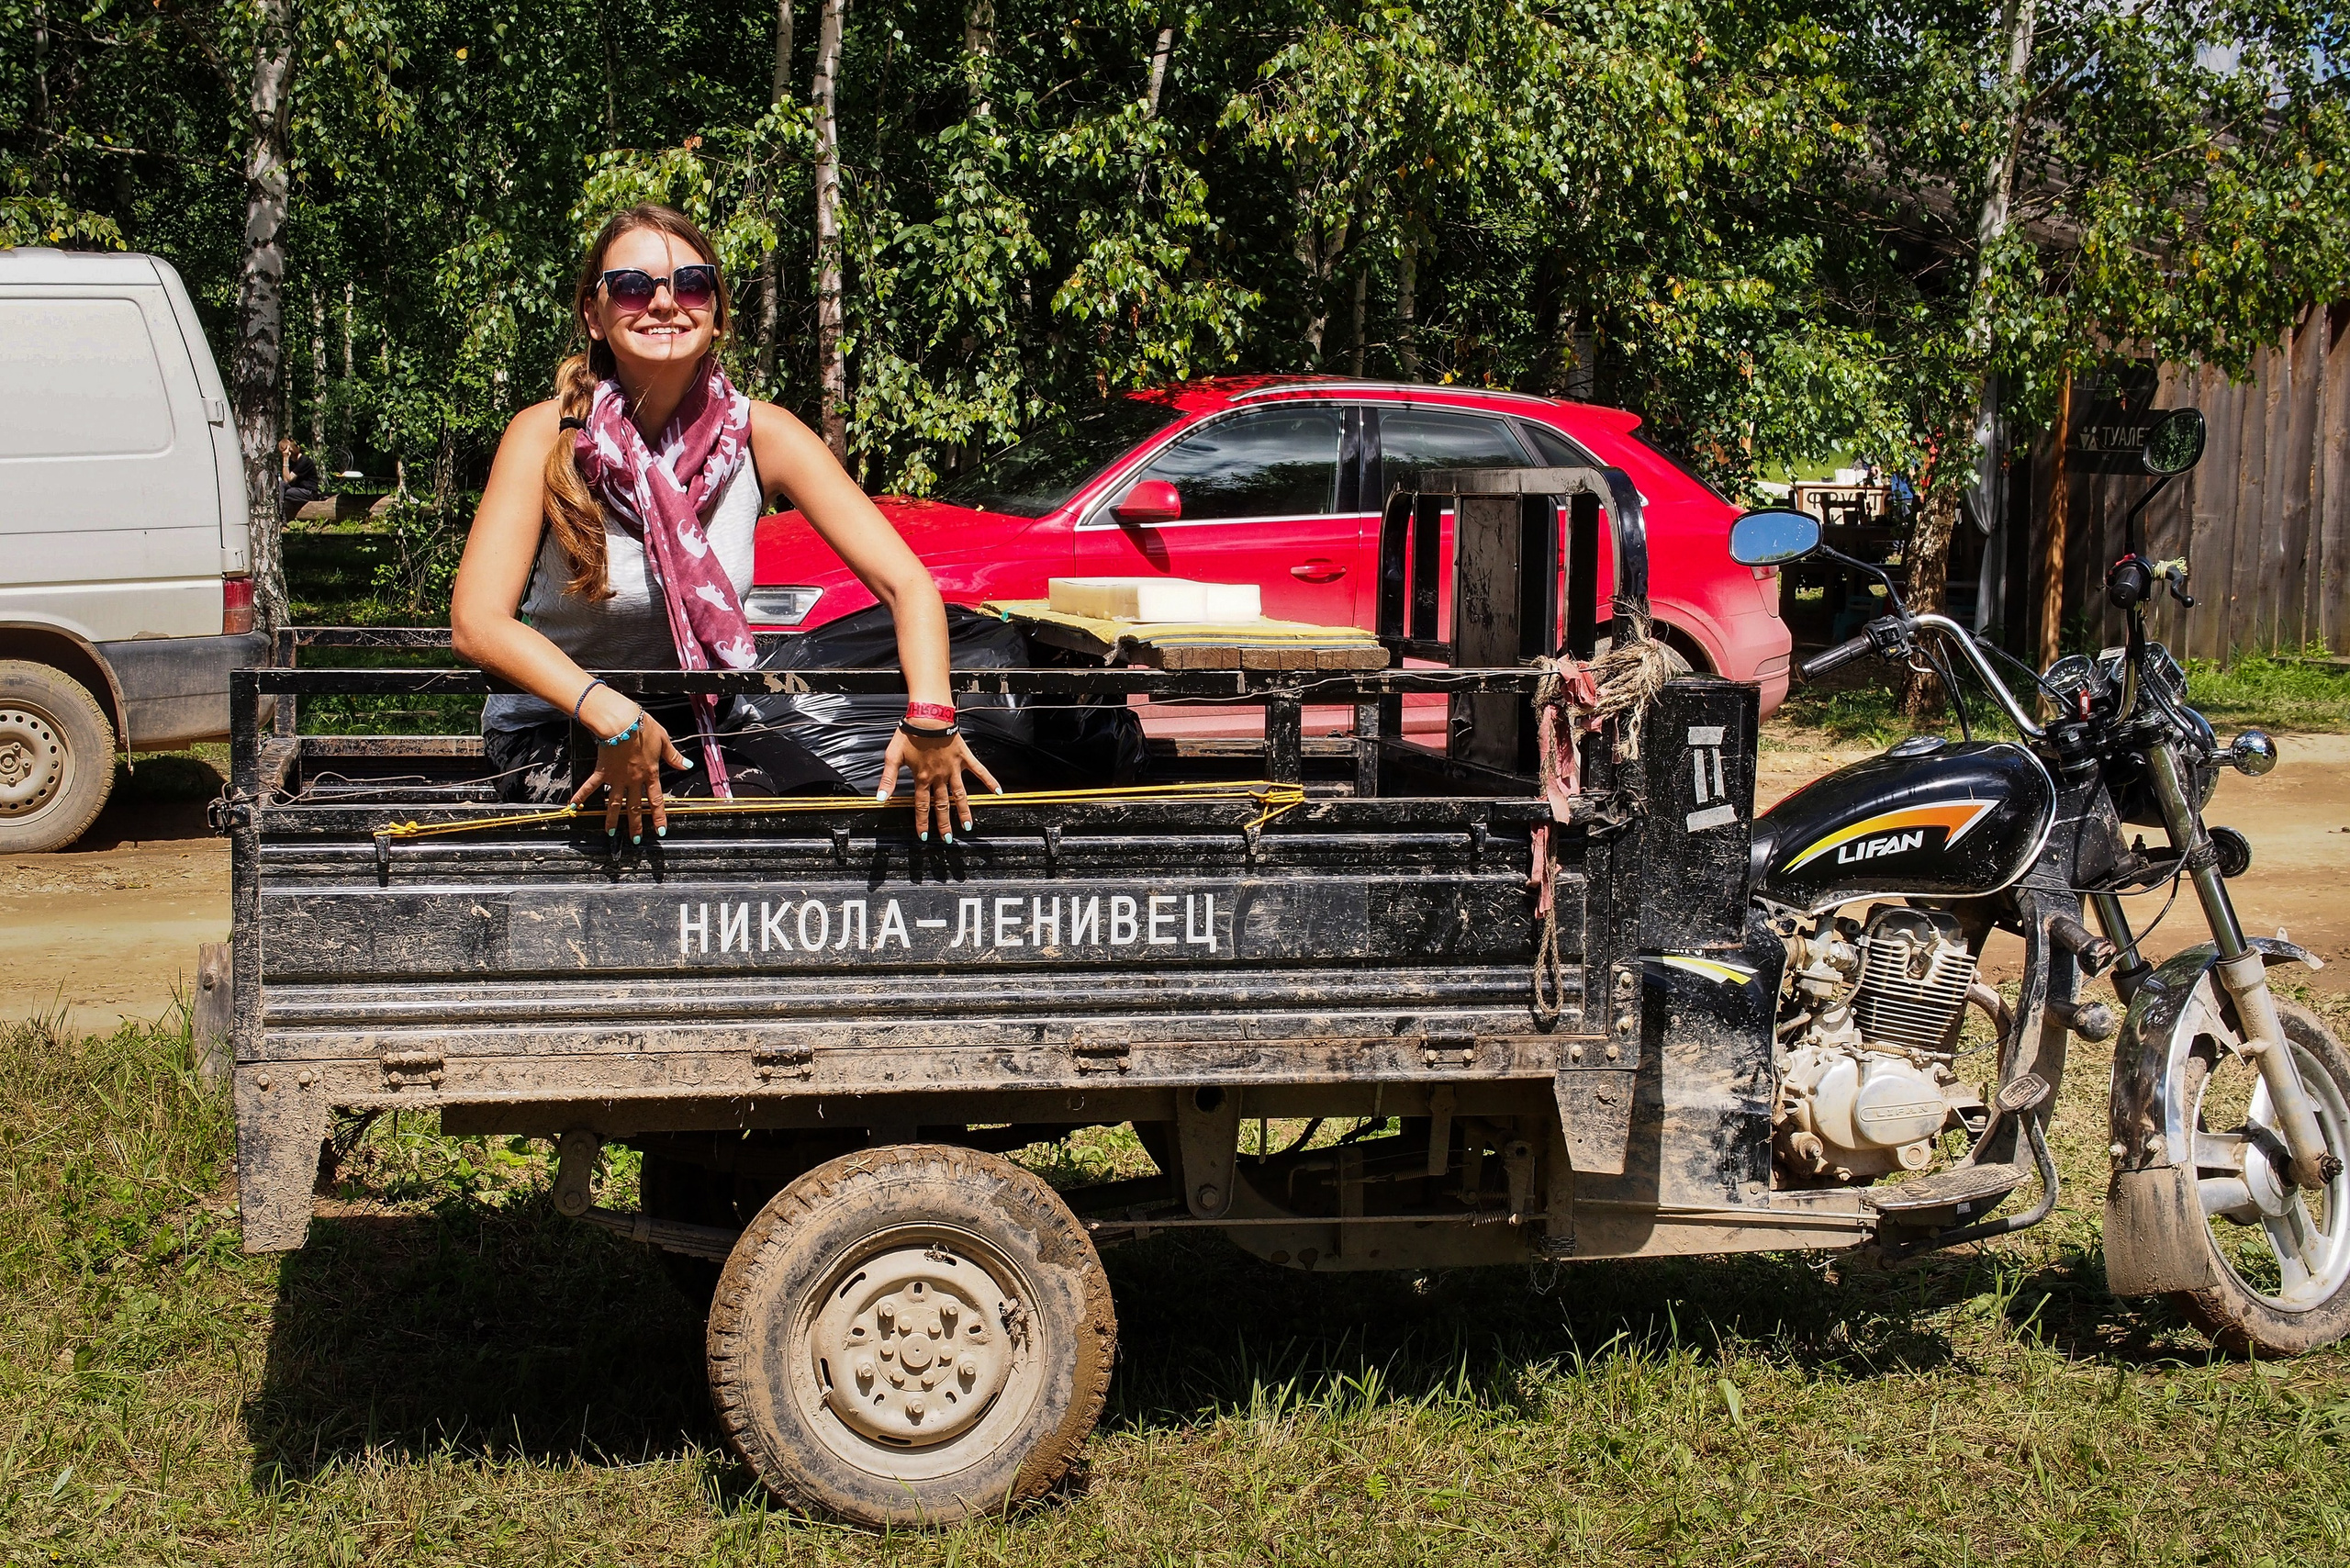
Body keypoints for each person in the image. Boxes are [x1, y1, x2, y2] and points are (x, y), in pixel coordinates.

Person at [451, 203, 998, 844]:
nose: (663, 303)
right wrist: (608, 713)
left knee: (830, 822)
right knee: (733, 831)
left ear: (716, 313)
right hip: (561, 724)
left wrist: (931, 715)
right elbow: (476, 622)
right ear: (593, 316)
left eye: (690, 284)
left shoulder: (763, 435)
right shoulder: (545, 436)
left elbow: (909, 584)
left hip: (705, 718)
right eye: (633, 286)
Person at [278, 437, 320, 520]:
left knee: (283, 492)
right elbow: (284, 481)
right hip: (297, 490)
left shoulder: (304, 461)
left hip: (309, 492)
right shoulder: (291, 461)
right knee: (280, 486)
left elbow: (287, 480)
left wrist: (285, 459)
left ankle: (281, 516)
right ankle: (282, 515)